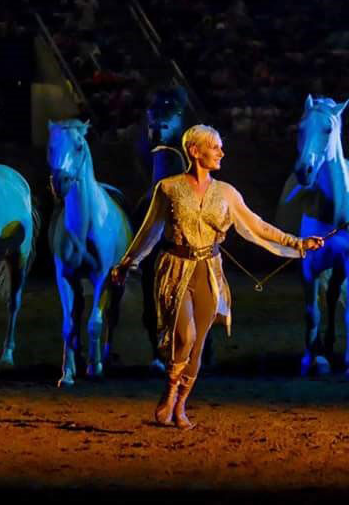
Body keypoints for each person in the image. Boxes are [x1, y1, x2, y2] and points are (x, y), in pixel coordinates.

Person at [110, 124, 324, 429]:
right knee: (185, 335)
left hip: (208, 271)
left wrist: (298, 243)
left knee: (198, 346)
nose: (221, 153)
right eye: (215, 147)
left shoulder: (226, 193)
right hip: (175, 267)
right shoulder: (168, 189)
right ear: (195, 151)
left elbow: (258, 226)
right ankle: (170, 392)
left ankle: (182, 404)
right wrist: (126, 262)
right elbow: (149, 231)